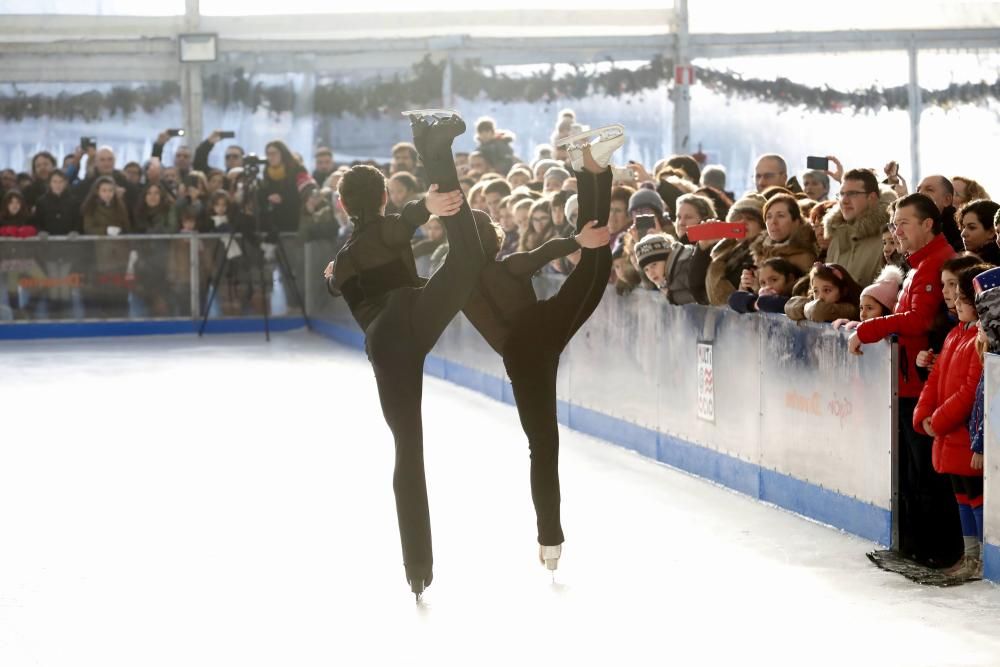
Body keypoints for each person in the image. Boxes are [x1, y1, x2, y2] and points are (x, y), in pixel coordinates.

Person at [325, 112, 487, 600]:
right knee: (468, 259)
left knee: (408, 449)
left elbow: (357, 262)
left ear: (339, 202)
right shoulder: (365, 242)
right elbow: (388, 235)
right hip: (409, 320)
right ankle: (431, 146)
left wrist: (423, 208)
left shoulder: (349, 253)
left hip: (393, 338)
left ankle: (417, 564)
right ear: (382, 197)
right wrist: (423, 207)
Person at [459, 141, 616, 573]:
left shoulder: (455, 288)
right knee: (596, 266)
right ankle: (590, 173)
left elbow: (414, 286)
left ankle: (550, 539)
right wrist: (575, 240)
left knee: (542, 446)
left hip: (521, 356)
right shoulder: (504, 266)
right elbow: (536, 255)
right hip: (539, 333)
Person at [848, 193, 961, 568]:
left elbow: (920, 320)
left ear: (928, 223)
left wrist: (869, 329)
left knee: (927, 474)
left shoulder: (935, 264)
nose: (896, 232)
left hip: (923, 383)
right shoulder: (917, 264)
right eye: (894, 224)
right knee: (912, 472)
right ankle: (915, 546)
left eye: (904, 224)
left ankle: (937, 551)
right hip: (909, 382)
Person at [913, 264, 987, 580]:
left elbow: (970, 391)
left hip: (964, 434)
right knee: (961, 495)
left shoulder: (978, 340)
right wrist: (924, 415)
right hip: (948, 434)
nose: (955, 302)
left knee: (975, 495)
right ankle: (970, 556)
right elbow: (938, 377)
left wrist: (939, 420)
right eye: (955, 296)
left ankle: (984, 557)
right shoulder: (955, 334)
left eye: (963, 298)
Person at [823, 169, 891, 288]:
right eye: (842, 194)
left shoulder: (888, 236)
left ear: (872, 197)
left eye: (852, 194)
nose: (844, 200)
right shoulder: (837, 235)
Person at [784, 262, 861, 323]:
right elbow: (790, 306)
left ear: (844, 290)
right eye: (815, 291)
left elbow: (817, 311)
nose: (820, 297)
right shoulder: (813, 304)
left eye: (827, 290)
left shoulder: (850, 310)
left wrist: (804, 309)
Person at [728, 257, 803, 314]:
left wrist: (759, 303)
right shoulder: (763, 297)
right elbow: (733, 299)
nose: (768, 286)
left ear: (790, 279)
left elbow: (776, 304)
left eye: (774, 280)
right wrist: (755, 303)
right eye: (763, 283)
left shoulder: (798, 298)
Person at [956, 199, 1000, 265]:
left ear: (991, 232)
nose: (963, 234)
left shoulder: (993, 267)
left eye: (972, 228)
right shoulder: (963, 257)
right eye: (963, 227)